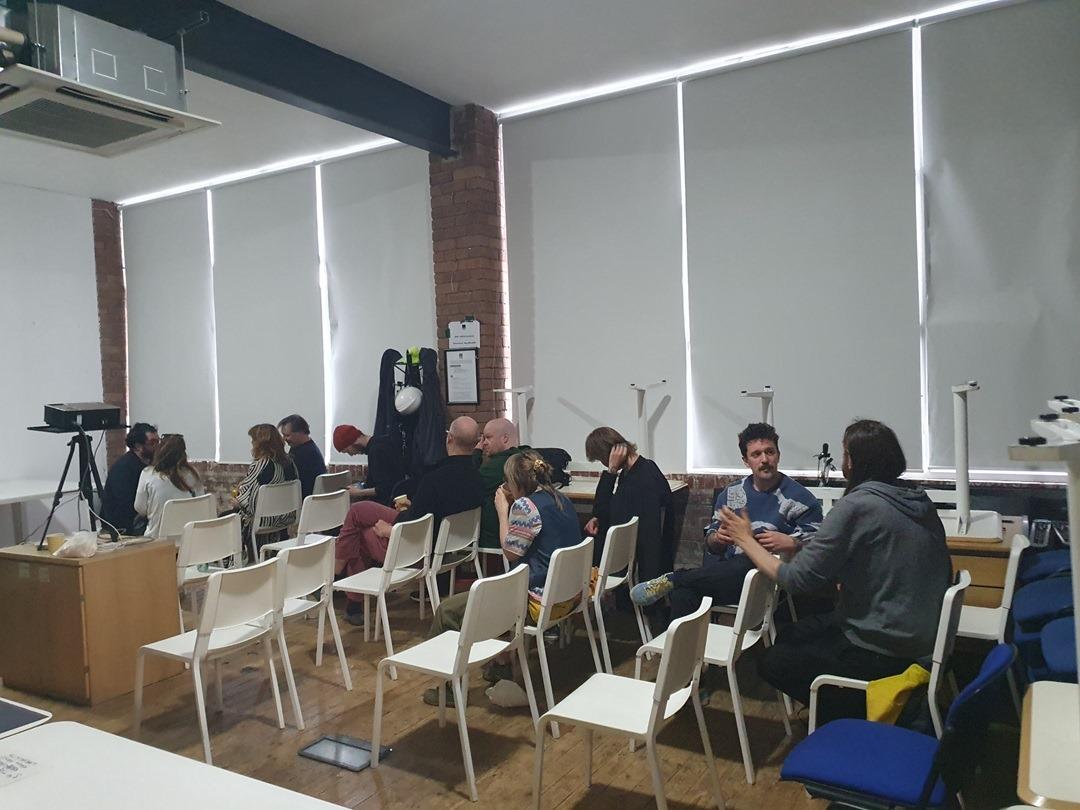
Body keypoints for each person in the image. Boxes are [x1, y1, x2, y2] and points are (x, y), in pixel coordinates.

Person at [723, 419, 951, 723]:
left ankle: (853, 713)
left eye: (845, 454)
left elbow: (796, 579)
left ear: (854, 462)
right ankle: (834, 702)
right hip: (922, 636)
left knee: (773, 661)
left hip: (886, 644)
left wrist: (745, 539)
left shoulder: (856, 505)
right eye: (756, 454)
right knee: (793, 630)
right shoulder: (917, 499)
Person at [423, 449, 580, 705]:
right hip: (567, 595)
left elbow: (510, 552)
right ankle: (500, 663)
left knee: (448, 611)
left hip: (537, 600)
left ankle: (448, 688)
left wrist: (502, 509)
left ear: (517, 482)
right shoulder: (561, 498)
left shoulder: (525, 506)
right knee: (491, 598)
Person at [631, 422, 822, 625]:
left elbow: (821, 542)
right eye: (756, 454)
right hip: (727, 577)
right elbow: (711, 542)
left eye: (770, 452)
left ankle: (675, 578)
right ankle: (682, 655)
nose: (765, 459)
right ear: (746, 461)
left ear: (778, 454)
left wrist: (793, 542)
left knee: (748, 561)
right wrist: (717, 539)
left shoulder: (799, 497)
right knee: (683, 594)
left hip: (768, 580)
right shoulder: (732, 494)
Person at [335, 417, 486, 625]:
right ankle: (343, 579)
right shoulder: (478, 476)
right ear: (477, 441)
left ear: (449, 438)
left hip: (416, 549)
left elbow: (415, 524)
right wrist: (410, 509)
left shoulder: (435, 480)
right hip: (448, 543)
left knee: (360, 535)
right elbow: (428, 512)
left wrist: (390, 530)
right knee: (358, 511)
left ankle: (341, 581)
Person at [583, 427, 674, 586]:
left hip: (634, 555)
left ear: (610, 453)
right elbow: (607, 511)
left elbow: (608, 513)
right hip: (634, 548)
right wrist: (598, 518)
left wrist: (611, 472)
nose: (604, 463)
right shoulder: (640, 469)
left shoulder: (639, 480)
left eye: (601, 459)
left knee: (586, 542)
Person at [233, 423, 298, 557]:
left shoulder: (261, 465)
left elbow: (248, 505)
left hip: (262, 521)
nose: (251, 444)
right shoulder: (290, 463)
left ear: (259, 444)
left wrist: (236, 500)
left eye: (253, 441)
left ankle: (232, 564)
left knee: (225, 517)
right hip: (284, 520)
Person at [475, 418, 530, 553]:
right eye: (482, 439)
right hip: (524, 534)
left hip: (495, 538)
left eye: (488, 438)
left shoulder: (497, 466)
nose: (483, 444)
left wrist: (476, 454)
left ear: (505, 438)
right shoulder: (527, 458)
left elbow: (470, 485)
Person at [133, 434, 205, 538]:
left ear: (159, 451)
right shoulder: (193, 474)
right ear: (183, 453)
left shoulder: (148, 474)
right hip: (189, 540)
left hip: (158, 542)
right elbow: (200, 503)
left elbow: (140, 508)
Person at [101, 422, 159, 535]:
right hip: (122, 527)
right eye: (152, 443)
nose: (157, 446)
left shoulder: (148, 465)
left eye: (158, 442)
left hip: (137, 520)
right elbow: (126, 506)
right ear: (138, 446)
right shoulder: (124, 468)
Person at [333, 424, 405, 506]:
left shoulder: (376, 451)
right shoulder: (382, 441)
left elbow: (384, 489)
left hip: (388, 504)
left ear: (353, 442)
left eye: (348, 451)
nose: (351, 455)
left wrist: (359, 492)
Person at [278, 414, 327, 500]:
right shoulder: (307, 448)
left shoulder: (304, 454)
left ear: (300, 432)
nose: (284, 439)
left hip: (303, 500)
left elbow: (287, 478)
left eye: (287, 435)